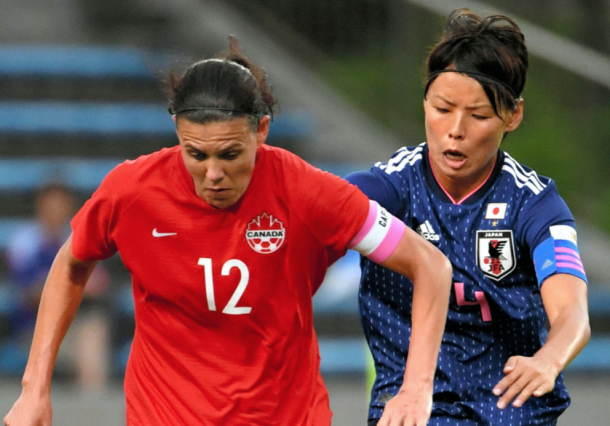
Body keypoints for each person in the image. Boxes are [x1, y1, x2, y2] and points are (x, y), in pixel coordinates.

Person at [4, 38, 452, 426]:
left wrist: (416, 385)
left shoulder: (308, 192)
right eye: (195, 155)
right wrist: (34, 387)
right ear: (176, 132)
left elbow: (429, 264)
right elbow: (71, 263)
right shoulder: (133, 191)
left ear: (261, 130)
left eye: (230, 154)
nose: (213, 174)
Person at [347, 9, 590, 426]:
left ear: (512, 116)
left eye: (478, 116)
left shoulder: (534, 205)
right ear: (425, 102)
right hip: (412, 412)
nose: (455, 130)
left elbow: (573, 314)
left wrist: (548, 360)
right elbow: (308, 206)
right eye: (442, 108)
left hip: (509, 413)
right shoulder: (388, 188)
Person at [4, 183, 109, 389]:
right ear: (40, 205)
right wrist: (74, 285)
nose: (55, 209)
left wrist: (57, 286)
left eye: (60, 204)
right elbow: (30, 293)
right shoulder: (23, 241)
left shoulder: (78, 237)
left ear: (69, 206)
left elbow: (98, 284)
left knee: (92, 331)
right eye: (50, 204)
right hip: (33, 328)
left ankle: (92, 406)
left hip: (72, 324)